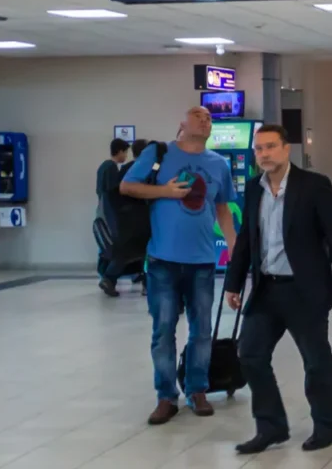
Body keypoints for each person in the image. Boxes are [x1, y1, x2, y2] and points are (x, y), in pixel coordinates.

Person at [223, 125, 332, 455]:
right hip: (267, 289)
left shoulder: (313, 186)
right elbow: (245, 241)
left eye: (270, 147)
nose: (264, 154)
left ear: (286, 150)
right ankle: (271, 427)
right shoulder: (254, 189)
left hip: (305, 290)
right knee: (250, 354)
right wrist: (233, 283)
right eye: (258, 149)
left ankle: (326, 427)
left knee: (315, 361)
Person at [120, 107, 237, 425]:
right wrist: (165, 192)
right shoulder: (157, 153)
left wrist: (234, 248)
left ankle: (197, 390)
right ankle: (165, 397)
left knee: (201, 331)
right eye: (198, 115)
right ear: (181, 124)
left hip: (201, 262)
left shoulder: (218, 165)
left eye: (210, 118)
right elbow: (127, 186)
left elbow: (223, 209)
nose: (206, 119)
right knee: (163, 331)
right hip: (162, 261)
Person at [100, 139, 150, 295]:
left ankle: (109, 278)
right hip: (140, 217)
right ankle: (147, 285)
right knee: (146, 251)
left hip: (123, 218)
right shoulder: (145, 169)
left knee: (125, 252)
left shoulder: (125, 168)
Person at [96, 138, 131, 277]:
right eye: (125, 153)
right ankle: (108, 275)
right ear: (120, 151)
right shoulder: (111, 167)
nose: (126, 156)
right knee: (114, 245)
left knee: (104, 244)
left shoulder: (103, 166)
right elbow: (114, 191)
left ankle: (104, 273)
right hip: (109, 211)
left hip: (101, 209)